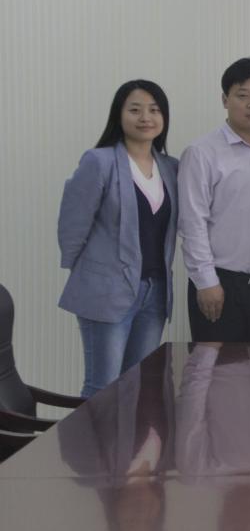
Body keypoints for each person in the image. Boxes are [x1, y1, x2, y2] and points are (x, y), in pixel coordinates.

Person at [58, 80, 178, 398]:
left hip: (155, 293)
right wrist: (89, 274)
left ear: (164, 117)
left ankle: (125, 437)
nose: (145, 117)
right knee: (103, 387)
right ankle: (92, 436)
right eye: (135, 110)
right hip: (106, 290)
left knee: (138, 386)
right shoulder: (99, 161)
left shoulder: (170, 168)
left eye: (154, 110)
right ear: (119, 115)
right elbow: (72, 225)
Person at [178, 57, 250, 343]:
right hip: (221, 284)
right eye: (242, 95)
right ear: (225, 99)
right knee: (216, 368)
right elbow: (192, 222)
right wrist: (206, 282)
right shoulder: (202, 152)